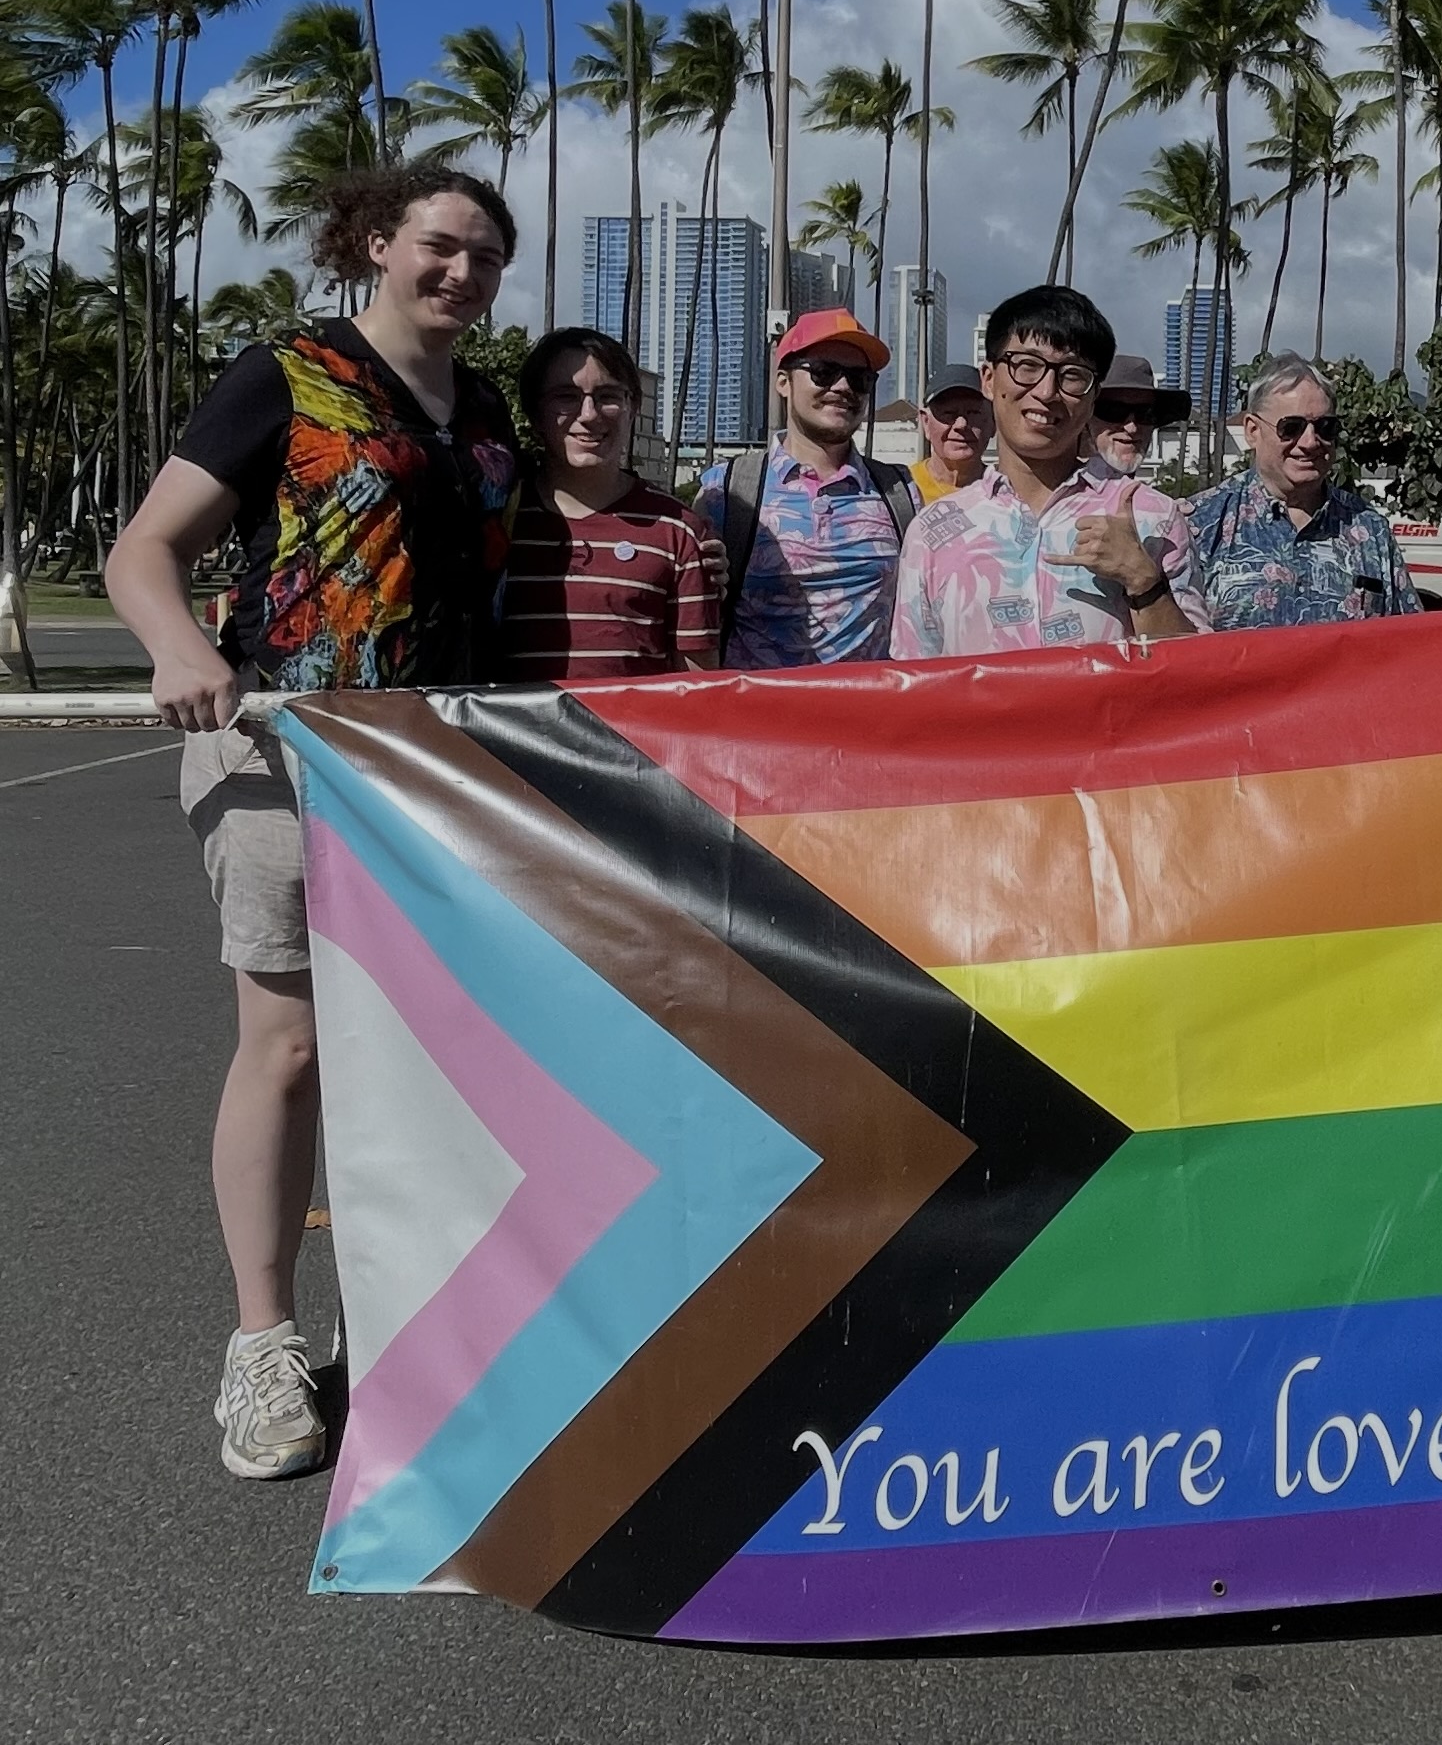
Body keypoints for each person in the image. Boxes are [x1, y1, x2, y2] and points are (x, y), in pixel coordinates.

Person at [104, 162, 523, 1479]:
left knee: (432, 1052)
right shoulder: (287, 373)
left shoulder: (485, 409)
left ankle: (395, 1321)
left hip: (438, 769)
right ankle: (264, 1340)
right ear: (377, 243)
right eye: (440, 245)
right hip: (286, 752)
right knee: (287, 1047)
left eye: (486, 256)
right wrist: (180, 649)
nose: (461, 272)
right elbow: (144, 550)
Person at [891, 285, 1206, 658]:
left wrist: (1145, 583)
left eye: (1072, 375)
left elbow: (1197, 672)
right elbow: (915, 679)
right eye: (1027, 366)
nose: (1046, 392)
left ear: (1093, 395)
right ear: (988, 379)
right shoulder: (934, 531)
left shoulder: (1152, 518)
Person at [692, 307, 918, 668]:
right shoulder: (726, 491)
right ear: (783, 382)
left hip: (871, 703)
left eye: (859, 378)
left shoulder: (901, 492)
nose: (842, 387)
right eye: (823, 372)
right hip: (758, 703)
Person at [500, 327, 723, 678]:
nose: (589, 414)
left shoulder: (679, 531)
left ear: (633, 406)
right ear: (534, 411)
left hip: (633, 717)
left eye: (607, 396)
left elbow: (697, 682)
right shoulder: (499, 521)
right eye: (566, 396)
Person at [1185, 352, 1420, 629]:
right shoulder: (1201, 525)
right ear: (1252, 431)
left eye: (1325, 427)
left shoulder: (1370, 529)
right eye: (1291, 427)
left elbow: (1409, 636)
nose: (1310, 442)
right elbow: (1168, 638)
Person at [1086, 352, 1190, 481]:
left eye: (1145, 414)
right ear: (1086, 417)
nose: (1131, 428)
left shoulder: (1148, 494)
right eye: (1114, 412)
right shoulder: (1068, 489)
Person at [913, 364, 993, 504]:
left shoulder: (1008, 493)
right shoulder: (903, 490)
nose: (961, 425)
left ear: (994, 423)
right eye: (948, 413)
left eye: (973, 413)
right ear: (925, 422)